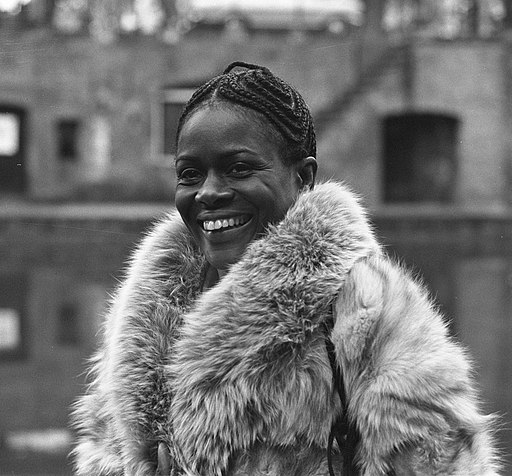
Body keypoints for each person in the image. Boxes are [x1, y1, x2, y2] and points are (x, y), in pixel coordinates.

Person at [71, 62, 500, 476]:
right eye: (190, 173)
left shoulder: (370, 315)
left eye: (239, 168)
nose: (209, 193)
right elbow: (103, 452)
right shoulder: (147, 319)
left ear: (303, 177)